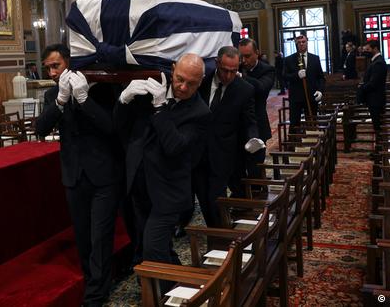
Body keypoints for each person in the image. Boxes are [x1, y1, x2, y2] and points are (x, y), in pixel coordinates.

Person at [35, 44, 121, 307]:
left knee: (100, 236)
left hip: (103, 175)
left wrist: (84, 100)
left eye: (56, 65)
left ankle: (95, 294)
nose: (51, 72)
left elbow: (111, 128)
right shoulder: (53, 95)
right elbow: (40, 128)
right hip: (73, 175)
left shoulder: (102, 89)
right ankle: (94, 279)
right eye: (47, 67)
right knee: (83, 237)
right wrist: (61, 101)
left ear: (70, 63)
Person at [114, 54, 209, 278]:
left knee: (153, 248)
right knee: (150, 248)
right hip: (138, 185)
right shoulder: (151, 87)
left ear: (201, 82)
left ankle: (164, 295)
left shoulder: (201, 112)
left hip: (169, 193)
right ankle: (175, 292)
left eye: (191, 83)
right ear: (173, 69)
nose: (183, 87)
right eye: (179, 79)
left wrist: (159, 109)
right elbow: (119, 128)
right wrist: (123, 100)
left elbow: (173, 146)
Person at [195, 46, 262, 227]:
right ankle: (215, 231)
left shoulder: (244, 89)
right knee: (202, 197)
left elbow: (250, 121)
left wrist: (253, 138)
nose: (229, 76)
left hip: (223, 155)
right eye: (225, 70)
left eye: (234, 71)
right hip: (197, 153)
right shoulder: (201, 81)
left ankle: (221, 237)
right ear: (217, 64)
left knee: (215, 199)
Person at [238, 38, 275, 178]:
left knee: (255, 169)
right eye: (241, 56)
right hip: (238, 125)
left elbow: (261, 88)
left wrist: (241, 77)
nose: (244, 60)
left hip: (258, 125)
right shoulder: (238, 67)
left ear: (257, 53)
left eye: (247, 56)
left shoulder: (267, 69)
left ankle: (257, 194)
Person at [284, 34, 325, 128]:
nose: (301, 44)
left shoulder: (315, 58)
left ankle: (312, 141)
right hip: (296, 97)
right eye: (299, 43)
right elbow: (284, 76)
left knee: (312, 121)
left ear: (307, 42)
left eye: (303, 42)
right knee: (294, 123)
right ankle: (294, 141)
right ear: (296, 44)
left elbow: (321, 78)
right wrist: (296, 75)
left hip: (311, 96)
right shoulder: (289, 59)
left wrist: (320, 90)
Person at [357, 40, 387, 133]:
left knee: (378, 126)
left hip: (376, 100)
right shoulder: (374, 61)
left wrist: (361, 88)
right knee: (376, 124)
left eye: (368, 49)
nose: (366, 52)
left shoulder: (379, 63)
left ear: (375, 48)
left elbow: (374, 83)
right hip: (373, 99)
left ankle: (380, 145)